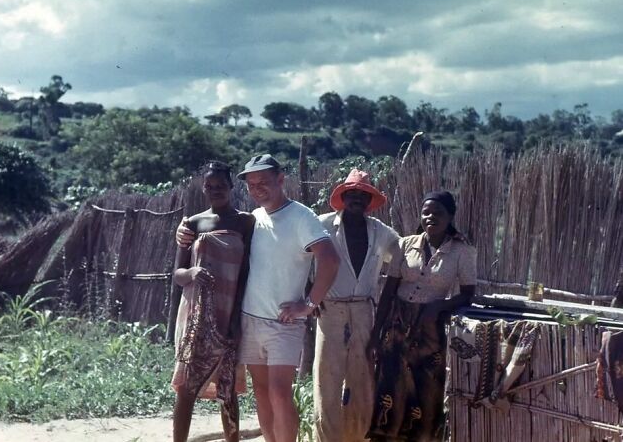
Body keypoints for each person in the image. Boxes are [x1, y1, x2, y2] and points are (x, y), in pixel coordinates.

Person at [177, 154, 340, 442]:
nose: (258, 188)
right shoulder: (254, 219)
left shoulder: (301, 216)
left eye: (264, 181)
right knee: (262, 394)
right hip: (250, 320)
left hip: (283, 321)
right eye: (252, 184)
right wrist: (181, 232)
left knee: (279, 392)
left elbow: (329, 259)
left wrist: (309, 304)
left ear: (280, 179)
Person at [366, 190, 477, 442]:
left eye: (437, 213)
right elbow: (388, 293)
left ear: (450, 216)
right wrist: (376, 334)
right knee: (389, 384)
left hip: (431, 328)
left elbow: (468, 294)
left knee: (426, 388)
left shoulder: (462, 251)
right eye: (426, 212)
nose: (430, 217)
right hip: (397, 326)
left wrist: (441, 305)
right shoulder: (404, 245)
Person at [314, 169, 401, 442]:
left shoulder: (381, 233)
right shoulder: (322, 226)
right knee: (326, 381)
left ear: (368, 200)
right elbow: (297, 259)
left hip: (364, 310)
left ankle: (358, 437)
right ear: (342, 197)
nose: (356, 199)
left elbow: (402, 258)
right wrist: (309, 293)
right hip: (329, 309)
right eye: (351, 193)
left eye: (362, 195)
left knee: (362, 381)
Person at [171, 161, 255, 442]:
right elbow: (177, 275)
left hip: (229, 310)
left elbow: (245, 273)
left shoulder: (245, 222)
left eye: (221, 185)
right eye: (210, 186)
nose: (215, 190)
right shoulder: (193, 223)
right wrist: (192, 272)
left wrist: (236, 319)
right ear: (203, 188)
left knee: (227, 388)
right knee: (187, 387)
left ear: (231, 187)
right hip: (196, 315)